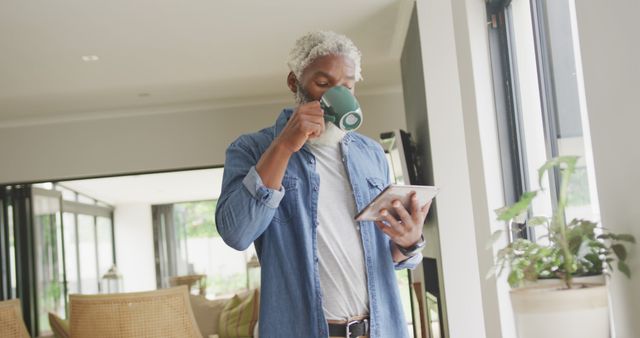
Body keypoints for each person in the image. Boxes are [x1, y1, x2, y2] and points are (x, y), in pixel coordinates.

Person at [215, 31, 430, 338]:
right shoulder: (252, 149)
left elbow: (378, 255)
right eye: (324, 83)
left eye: (347, 86)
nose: (337, 94)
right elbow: (236, 233)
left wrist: (408, 241)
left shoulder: (371, 154)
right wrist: (284, 146)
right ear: (294, 82)